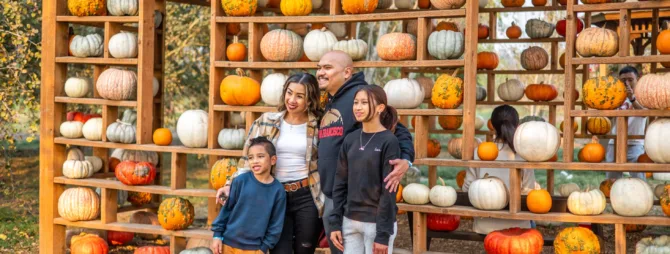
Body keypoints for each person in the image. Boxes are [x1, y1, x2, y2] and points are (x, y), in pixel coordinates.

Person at [215, 73, 325, 254]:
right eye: (289, 93)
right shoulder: (266, 121)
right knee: (279, 250)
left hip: (307, 195)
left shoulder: (319, 126)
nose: (292, 100)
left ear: (310, 99)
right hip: (274, 194)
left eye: (300, 96)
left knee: (304, 250)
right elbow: (246, 160)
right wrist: (229, 185)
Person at [317, 51, 414, 254]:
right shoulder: (329, 100)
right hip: (335, 192)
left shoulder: (360, 96)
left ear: (347, 72)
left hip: (359, 197)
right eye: (319, 67)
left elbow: (399, 131)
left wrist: (405, 159)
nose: (320, 72)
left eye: (327, 67)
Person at [329, 85, 399, 254]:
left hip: (376, 224)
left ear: (380, 108)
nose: (358, 107)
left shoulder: (389, 141)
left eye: (364, 103)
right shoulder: (350, 139)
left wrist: (382, 235)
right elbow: (340, 182)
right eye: (356, 102)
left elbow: (388, 190)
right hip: (349, 221)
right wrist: (335, 223)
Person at [462, 105, 539, 234]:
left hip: (484, 224)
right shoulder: (523, 154)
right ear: (517, 124)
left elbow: (467, 189)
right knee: (532, 224)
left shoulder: (478, 153)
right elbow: (529, 192)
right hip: (518, 223)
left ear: (492, 125)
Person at [211, 137, 286, 254]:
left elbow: (276, 224)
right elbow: (226, 211)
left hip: (255, 248)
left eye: (260, 156)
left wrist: (264, 247)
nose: (255, 161)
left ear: (273, 160)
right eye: (251, 157)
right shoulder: (240, 181)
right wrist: (217, 235)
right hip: (228, 244)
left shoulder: (277, 190)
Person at [605, 66, 647, 180]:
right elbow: (608, 117)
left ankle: (641, 196)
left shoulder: (644, 95)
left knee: (638, 176)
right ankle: (611, 196)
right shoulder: (616, 96)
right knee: (611, 177)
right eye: (623, 80)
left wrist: (632, 99)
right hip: (615, 141)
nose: (627, 83)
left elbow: (644, 113)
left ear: (637, 79)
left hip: (635, 142)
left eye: (630, 79)